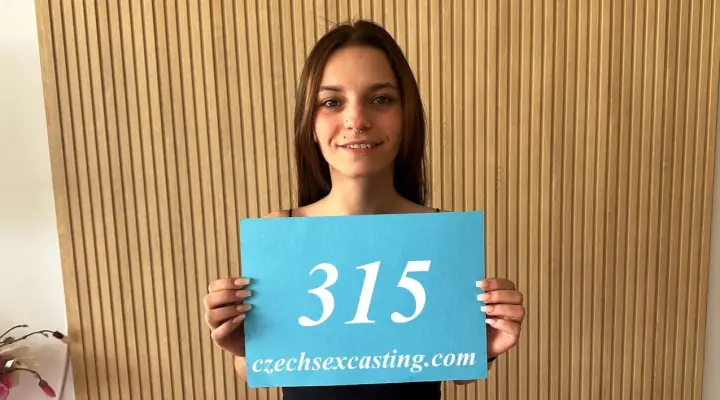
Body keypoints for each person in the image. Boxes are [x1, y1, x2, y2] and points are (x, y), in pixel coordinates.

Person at [203, 19, 525, 400]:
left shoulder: (440, 236)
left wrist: (484, 344)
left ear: (407, 117)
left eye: (381, 99)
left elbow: (458, 370)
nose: (356, 120)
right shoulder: (280, 234)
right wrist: (244, 342)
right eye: (332, 102)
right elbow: (260, 369)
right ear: (310, 122)